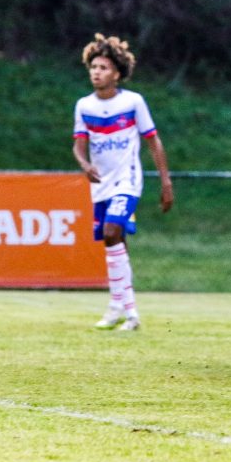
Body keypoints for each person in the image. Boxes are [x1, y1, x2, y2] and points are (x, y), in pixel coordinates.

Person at [72, 33, 173, 331]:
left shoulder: (132, 102)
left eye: (103, 67)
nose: (96, 72)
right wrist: (84, 163)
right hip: (100, 184)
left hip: (127, 181)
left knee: (111, 230)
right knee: (115, 242)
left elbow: (154, 143)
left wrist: (165, 183)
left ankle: (126, 312)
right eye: (93, 67)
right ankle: (122, 309)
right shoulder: (84, 106)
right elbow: (78, 144)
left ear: (116, 73)